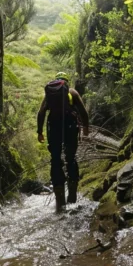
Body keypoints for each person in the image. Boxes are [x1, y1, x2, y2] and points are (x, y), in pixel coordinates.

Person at [37, 72, 90, 212]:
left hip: (53, 128)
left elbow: (41, 113)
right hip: (70, 127)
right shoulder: (72, 92)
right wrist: (86, 128)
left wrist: (39, 132)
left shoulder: (49, 95)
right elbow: (83, 112)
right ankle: (72, 197)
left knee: (55, 160)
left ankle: (59, 201)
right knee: (71, 158)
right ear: (67, 82)